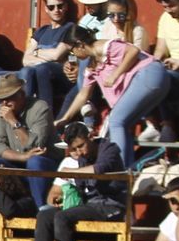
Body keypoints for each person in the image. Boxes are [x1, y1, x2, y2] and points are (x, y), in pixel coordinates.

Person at [30, 122, 126, 241]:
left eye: (81, 146)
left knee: (62, 217)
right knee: (45, 215)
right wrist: (65, 197)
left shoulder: (109, 148)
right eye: (74, 149)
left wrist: (70, 172)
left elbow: (100, 169)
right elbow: (82, 187)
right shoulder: (82, 158)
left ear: (90, 137)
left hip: (110, 205)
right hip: (90, 204)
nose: (79, 152)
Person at [56, 25, 171, 162]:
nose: (72, 56)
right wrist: (66, 118)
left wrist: (115, 75)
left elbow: (133, 50)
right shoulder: (91, 65)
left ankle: (119, 168)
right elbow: (83, 94)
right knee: (123, 123)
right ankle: (127, 168)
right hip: (155, 82)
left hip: (150, 73)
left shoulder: (103, 46)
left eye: (71, 51)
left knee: (116, 121)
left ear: (80, 45)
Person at [0, 73, 57, 211]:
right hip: (17, 163)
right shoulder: (1, 110)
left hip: (46, 164)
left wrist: (13, 121)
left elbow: (36, 146)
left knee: (35, 161)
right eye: (1, 99)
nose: (5, 103)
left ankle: (41, 211)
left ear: (21, 94)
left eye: (9, 98)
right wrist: (23, 157)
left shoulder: (40, 107)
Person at [16, 0, 77, 113]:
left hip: (61, 76)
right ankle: (23, 114)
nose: (56, 10)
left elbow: (56, 55)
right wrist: (44, 58)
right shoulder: (41, 31)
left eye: (60, 6)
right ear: (46, 9)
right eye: (51, 7)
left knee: (42, 69)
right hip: (37, 73)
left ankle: (45, 115)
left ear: (65, 7)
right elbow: (25, 60)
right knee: (26, 71)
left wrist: (36, 52)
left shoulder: (70, 28)